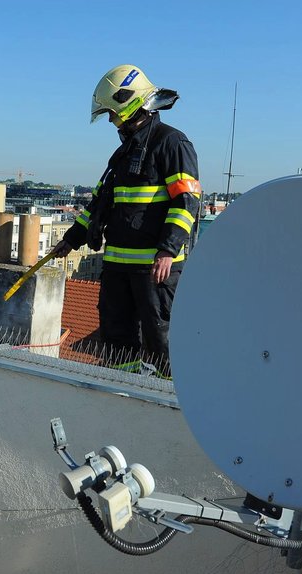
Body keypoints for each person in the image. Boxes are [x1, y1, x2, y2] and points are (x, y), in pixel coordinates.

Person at [52, 65, 200, 375]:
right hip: (118, 267)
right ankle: (122, 391)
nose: (111, 120)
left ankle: (163, 400)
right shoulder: (123, 153)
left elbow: (186, 201)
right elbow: (101, 205)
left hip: (155, 270)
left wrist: (168, 251)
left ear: (129, 104)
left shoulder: (172, 143)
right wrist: (71, 240)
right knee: (116, 339)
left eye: (112, 113)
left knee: (161, 342)